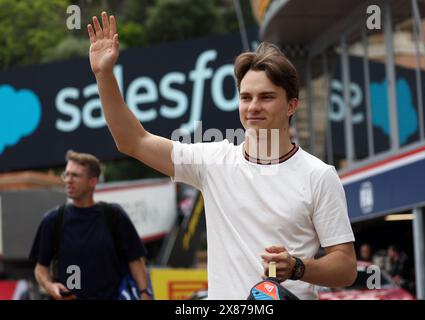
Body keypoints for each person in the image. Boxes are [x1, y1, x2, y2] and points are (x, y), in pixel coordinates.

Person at [87, 12, 356, 299]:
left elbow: (346, 267)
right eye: (245, 97)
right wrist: (104, 75)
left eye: (266, 97)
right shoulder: (213, 161)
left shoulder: (318, 175)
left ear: (291, 105)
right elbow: (132, 141)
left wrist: (297, 268)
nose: (253, 106)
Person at [29, 150, 152, 300]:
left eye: (75, 175)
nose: (68, 180)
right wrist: (50, 286)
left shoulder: (114, 215)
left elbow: (135, 259)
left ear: (93, 181)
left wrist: (144, 292)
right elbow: (40, 268)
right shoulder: (52, 219)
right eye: (66, 174)